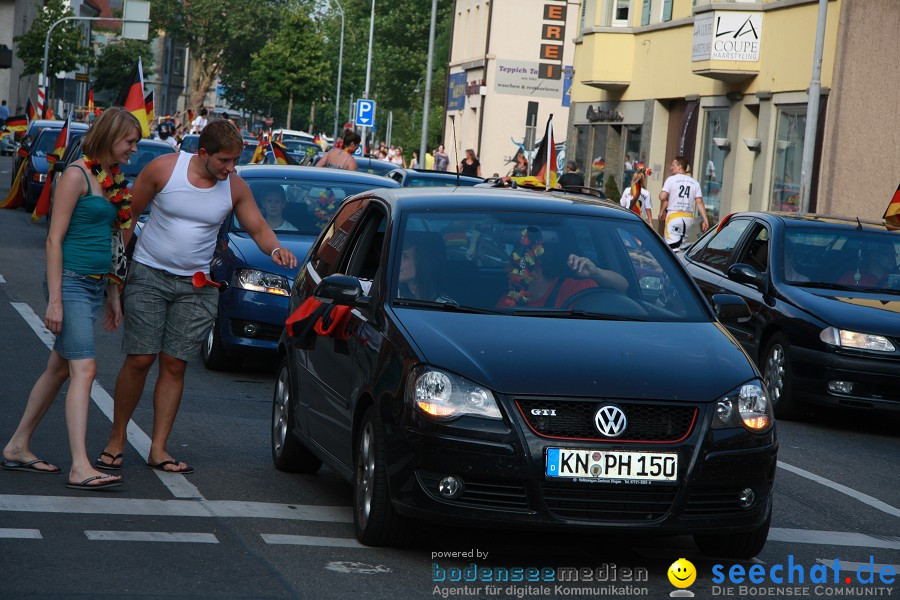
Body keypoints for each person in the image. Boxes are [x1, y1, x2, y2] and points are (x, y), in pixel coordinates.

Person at [95, 121, 298, 473]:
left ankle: (158, 449)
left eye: (236, 160)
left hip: (197, 285)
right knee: (141, 358)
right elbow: (129, 217)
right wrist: (116, 275)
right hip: (148, 275)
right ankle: (116, 439)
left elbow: (259, 227)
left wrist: (276, 249)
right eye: (225, 160)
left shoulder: (233, 186)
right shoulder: (164, 169)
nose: (231, 168)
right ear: (203, 153)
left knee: (175, 364)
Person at [2, 107, 141, 490]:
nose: (133, 149)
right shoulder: (76, 175)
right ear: (110, 137)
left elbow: (113, 240)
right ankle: (81, 466)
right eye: (129, 142)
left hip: (95, 284)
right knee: (85, 370)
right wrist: (55, 300)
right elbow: (54, 238)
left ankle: (17, 446)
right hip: (72, 283)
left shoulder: (111, 177)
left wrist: (113, 292)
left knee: (59, 369)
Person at [498, 239, 628, 308]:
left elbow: (623, 286)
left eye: (513, 266)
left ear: (536, 270)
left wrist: (596, 273)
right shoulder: (510, 300)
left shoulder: (575, 289)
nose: (506, 270)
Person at [658, 155, 708, 249]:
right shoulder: (694, 183)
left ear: (680, 166)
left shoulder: (671, 179)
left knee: (670, 248)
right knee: (681, 246)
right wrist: (705, 220)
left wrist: (662, 195)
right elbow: (699, 202)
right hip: (688, 219)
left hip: (674, 217)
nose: (671, 167)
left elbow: (662, 197)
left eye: (673, 165)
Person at [397, 231, 455, 304]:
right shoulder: (394, 296)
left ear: (423, 263)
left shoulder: (447, 307)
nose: (397, 261)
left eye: (405, 256)